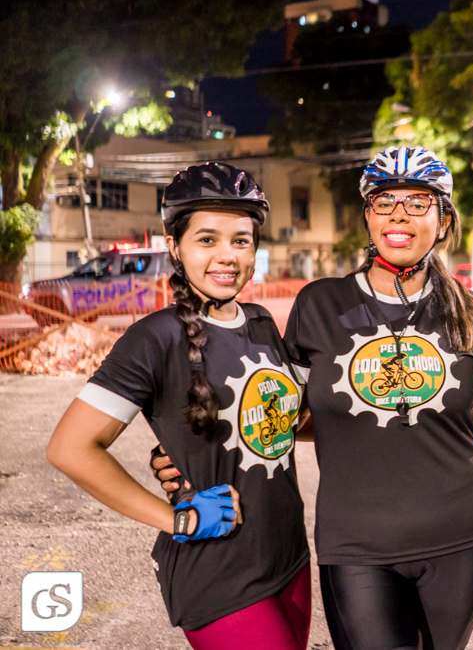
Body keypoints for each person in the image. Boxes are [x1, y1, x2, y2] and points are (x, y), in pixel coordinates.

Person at [47, 163, 312, 650]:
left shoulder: (260, 323)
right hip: (219, 572)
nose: (227, 255)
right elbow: (70, 449)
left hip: (289, 557)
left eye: (241, 240)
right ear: (175, 246)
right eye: (207, 239)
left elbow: (282, 423)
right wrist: (178, 520)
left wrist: (183, 449)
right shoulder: (154, 338)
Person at [283, 146, 473, 649]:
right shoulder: (319, 304)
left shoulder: (469, 309)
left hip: (461, 540)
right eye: (384, 201)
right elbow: (275, 415)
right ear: (368, 217)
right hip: (356, 543)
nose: (399, 214)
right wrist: (184, 452)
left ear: (444, 221)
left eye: (418, 202)